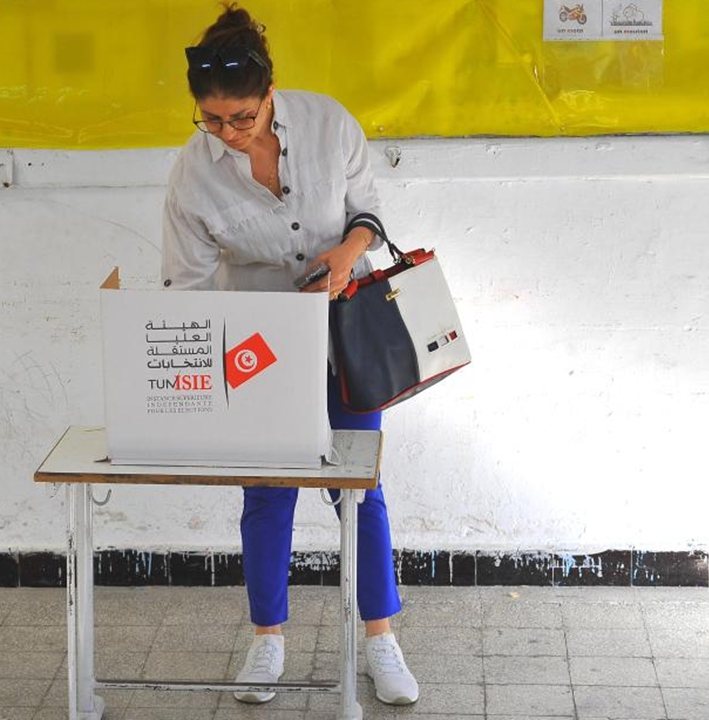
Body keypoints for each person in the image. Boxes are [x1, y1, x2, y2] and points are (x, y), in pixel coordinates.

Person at [160, 3, 420, 707]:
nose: (228, 135)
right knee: (267, 495)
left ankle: (380, 640)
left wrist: (346, 252)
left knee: (358, 493)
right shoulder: (194, 175)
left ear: (269, 94)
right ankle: (267, 640)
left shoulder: (330, 124)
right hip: (260, 350)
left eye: (240, 118)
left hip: (346, 337)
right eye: (211, 121)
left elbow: (369, 211)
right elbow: (183, 287)